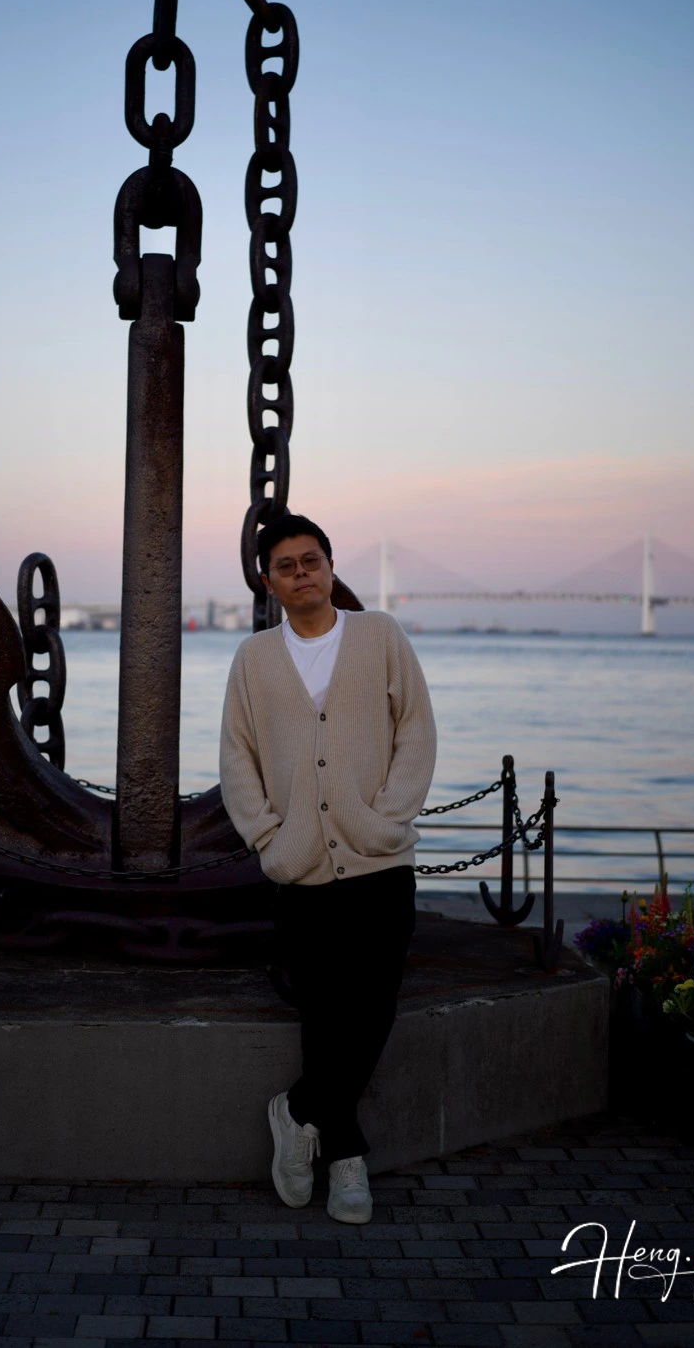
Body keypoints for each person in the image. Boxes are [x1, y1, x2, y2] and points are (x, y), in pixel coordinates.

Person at [219, 513, 436, 1224]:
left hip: (378, 861)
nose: (301, 574)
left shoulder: (379, 636)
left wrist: (386, 819)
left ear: (331, 566)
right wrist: (270, 838)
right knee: (324, 1013)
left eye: (311, 560)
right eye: (286, 566)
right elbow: (237, 757)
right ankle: (346, 1160)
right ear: (267, 581)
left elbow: (416, 731)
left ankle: (297, 1111)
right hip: (300, 869)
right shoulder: (254, 659)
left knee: (372, 1008)